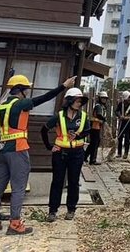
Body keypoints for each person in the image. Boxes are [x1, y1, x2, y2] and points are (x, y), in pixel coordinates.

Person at [0, 73, 76, 236]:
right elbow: (45, 98)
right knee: (18, 186)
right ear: (20, 90)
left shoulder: (0, 107)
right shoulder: (19, 104)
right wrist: (63, 86)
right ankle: (15, 223)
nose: (28, 91)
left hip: (2, 149)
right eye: (26, 88)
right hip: (18, 149)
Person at [41, 88, 90, 222]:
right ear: (69, 101)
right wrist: (50, 146)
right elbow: (44, 130)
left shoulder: (84, 116)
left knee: (74, 182)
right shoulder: (59, 116)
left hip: (77, 153)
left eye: (81, 101)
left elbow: (87, 131)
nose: (79, 103)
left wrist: (78, 135)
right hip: (60, 153)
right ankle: (52, 210)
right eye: (77, 100)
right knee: (57, 181)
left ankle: (71, 209)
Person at [84, 91, 108, 165]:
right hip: (95, 126)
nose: (104, 100)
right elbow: (99, 114)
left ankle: (85, 156)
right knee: (95, 144)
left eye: (105, 98)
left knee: (93, 143)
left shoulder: (101, 106)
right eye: (103, 98)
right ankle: (92, 160)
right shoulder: (98, 106)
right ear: (100, 98)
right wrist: (104, 119)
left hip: (96, 126)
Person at [115, 91, 130, 159]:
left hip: (129, 123)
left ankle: (126, 153)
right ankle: (119, 153)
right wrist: (120, 116)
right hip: (122, 122)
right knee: (120, 137)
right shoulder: (121, 103)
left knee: (127, 138)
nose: (126, 101)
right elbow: (116, 111)